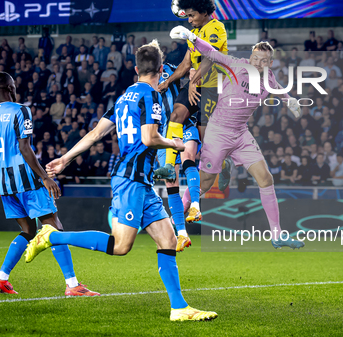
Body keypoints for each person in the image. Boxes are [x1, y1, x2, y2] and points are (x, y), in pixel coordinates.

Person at [29, 41, 218, 322]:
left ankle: (179, 308)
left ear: (135, 68)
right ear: (160, 68)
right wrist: (175, 144)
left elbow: (95, 134)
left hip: (140, 181)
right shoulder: (151, 97)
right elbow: (149, 139)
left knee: (167, 239)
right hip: (130, 179)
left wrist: (65, 158)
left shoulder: (124, 97)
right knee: (120, 246)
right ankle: (51, 236)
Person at [169, 25, 304, 249]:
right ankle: (173, 219)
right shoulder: (236, 65)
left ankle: (277, 234)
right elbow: (212, 53)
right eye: (255, 57)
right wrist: (192, 37)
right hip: (218, 132)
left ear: (269, 63)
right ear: (250, 57)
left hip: (241, 134)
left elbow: (279, 89)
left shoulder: (268, 78)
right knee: (204, 184)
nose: (257, 63)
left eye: (263, 60)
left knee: (266, 178)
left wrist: (290, 101)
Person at [0, 71, 98, 297]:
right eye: (14, 85)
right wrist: (44, 177)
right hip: (26, 178)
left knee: (27, 230)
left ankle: (2, 278)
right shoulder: (20, 110)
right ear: (8, 87)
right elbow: (25, 148)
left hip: (6, 182)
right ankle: (73, 285)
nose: (16, 88)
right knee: (54, 226)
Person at [153, 0, 231, 223]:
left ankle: (224, 162)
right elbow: (188, 61)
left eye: (192, 15)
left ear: (204, 12)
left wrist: (195, 80)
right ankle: (168, 165)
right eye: (186, 15)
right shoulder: (193, 32)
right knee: (176, 115)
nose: (189, 19)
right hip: (197, 83)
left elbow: (211, 57)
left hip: (214, 86)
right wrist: (169, 80)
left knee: (207, 139)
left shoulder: (216, 28)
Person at [155, 63, 202, 252]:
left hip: (184, 122)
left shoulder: (171, 68)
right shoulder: (142, 83)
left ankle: (195, 206)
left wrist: (193, 75)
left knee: (189, 156)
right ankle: (182, 234)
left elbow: (188, 67)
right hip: (163, 133)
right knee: (171, 182)